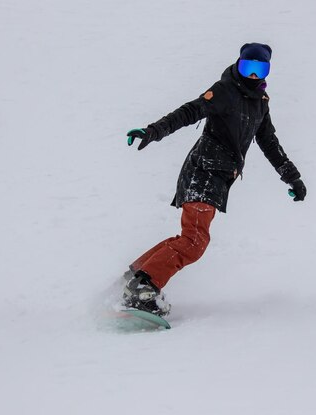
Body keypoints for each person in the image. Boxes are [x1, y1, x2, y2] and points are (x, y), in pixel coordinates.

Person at [122, 43, 306, 316]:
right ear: (238, 64)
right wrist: (153, 131)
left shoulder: (260, 105)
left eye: (260, 69)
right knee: (195, 241)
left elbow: (269, 142)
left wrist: (293, 177)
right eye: (248, 68)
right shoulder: (225, 91)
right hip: (203, 172)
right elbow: (189, 112)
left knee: (190, 238)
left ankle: (136, 277)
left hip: (217, 178)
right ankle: (143, 288)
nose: (253, 76)